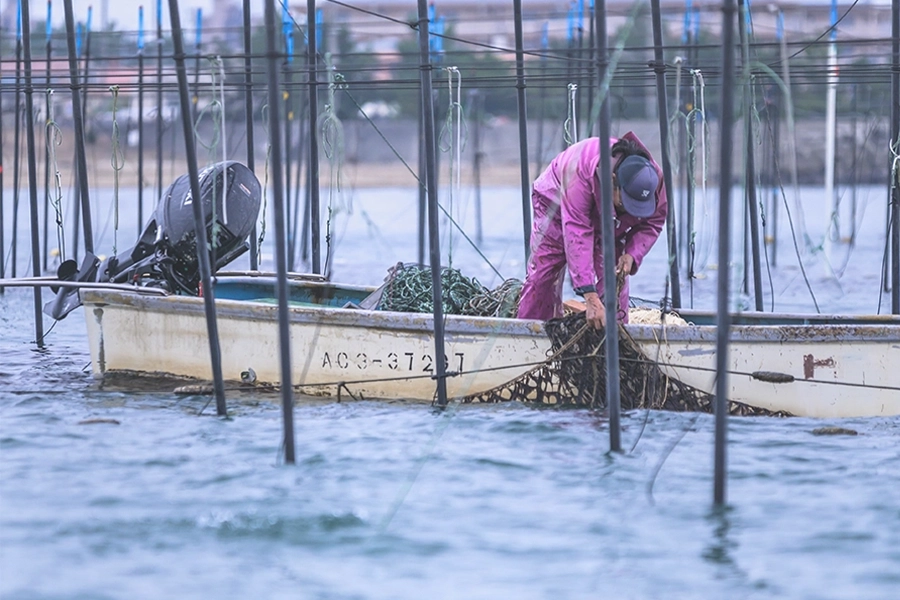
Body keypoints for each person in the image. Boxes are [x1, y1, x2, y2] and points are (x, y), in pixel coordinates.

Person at [517, 131, 668, 328]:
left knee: (614, 278)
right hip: (556, 203)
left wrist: (632, 254)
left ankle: (615, 336)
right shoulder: (582, 172)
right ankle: (530, 333)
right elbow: (577, 233)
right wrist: (589, 296)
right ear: (612, 181)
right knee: (545, 275)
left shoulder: (654, 180)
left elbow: (654, 221)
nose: (630, 209)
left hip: (610, 220)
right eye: (626, 203)